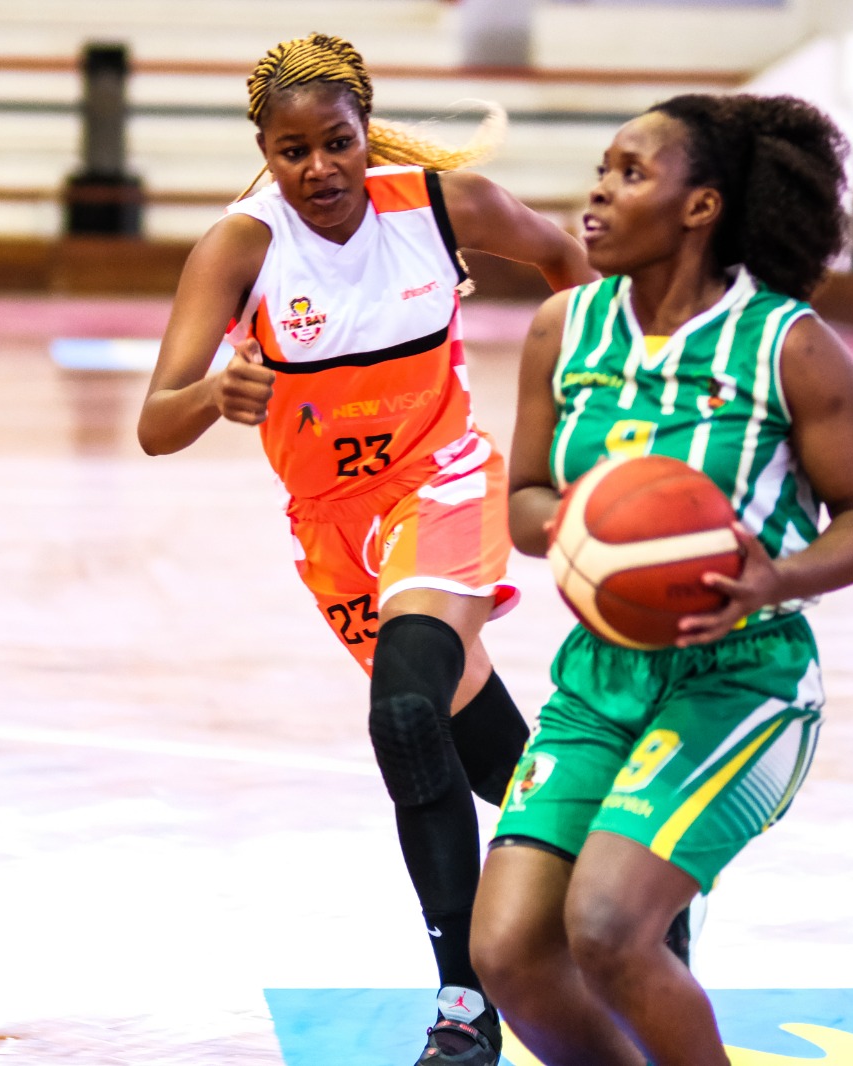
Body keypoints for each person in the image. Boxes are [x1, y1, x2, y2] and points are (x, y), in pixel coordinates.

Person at [134, 33, 595, 1066]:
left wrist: (569, 412)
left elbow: (569, 265)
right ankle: (612, 880)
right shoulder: (239, 246)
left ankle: (465, 1004)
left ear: (363, 132)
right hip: (333, 532)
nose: (319, 169)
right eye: (292, 151)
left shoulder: (439, 208)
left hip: (443, 483)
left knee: (399, 711)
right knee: (479, 756)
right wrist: (216, 393)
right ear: (265, 149)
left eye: (336, 143)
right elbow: (155, 422)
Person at [470, 93, 853, 1066]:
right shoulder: (561, 328)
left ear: (699, 207)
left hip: (743, 680)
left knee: (611, 927)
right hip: (598, 679)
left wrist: (773, 576)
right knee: (509, 951)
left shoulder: (787, 344)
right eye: (599, 171)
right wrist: (587, 526)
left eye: (629, 173)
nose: (596, 193)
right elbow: (527, 500)